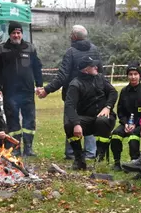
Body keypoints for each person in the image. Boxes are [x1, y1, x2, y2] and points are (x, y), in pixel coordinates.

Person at [36, 25, 100, 160]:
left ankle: (72, 153)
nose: (70, 36)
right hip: (91, 93)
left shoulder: (70, 52)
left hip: (74, 93)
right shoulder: (94, 49)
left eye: (71, 34)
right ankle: (90, 153)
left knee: (71, 121)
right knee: (89, 120)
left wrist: (47, 90)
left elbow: (62, 76)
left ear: (74, 37)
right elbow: (100, 71)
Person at [0, 21, 43, 157]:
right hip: (10, 92)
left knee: (29, 120)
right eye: (13, 33)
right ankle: (15, 147)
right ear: (10, 34)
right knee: (12, 120)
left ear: (22, 33)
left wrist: (39, 85)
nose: (16, 35)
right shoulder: (1, 49)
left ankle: (28, 148)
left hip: (27, 91)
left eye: (18, 32)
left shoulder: (30, 48)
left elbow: (37, 68)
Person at [64, 56, 117, 170]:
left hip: (105, 118)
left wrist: (108, 107)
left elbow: (113, 92)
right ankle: (79, 160)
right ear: (86, 70)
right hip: (87, 119)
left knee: (102, 120)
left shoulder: (100, 78)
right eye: (93, 66)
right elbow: (69, 106)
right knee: (69, 125)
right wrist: (77, 123)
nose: (96, 67)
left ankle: (100, 158)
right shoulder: (75, 84)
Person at [110, 62, 141, 171]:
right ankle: (117, 162)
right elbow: (120, 111)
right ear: (127, 76)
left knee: (134, 137)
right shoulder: (124, 91)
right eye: (130, 74)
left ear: (139, 75)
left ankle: (135, 162)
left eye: (135, 74)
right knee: (115, 135)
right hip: (126, 123)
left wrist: (137, 124)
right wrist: (125, 123)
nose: (133, 77)